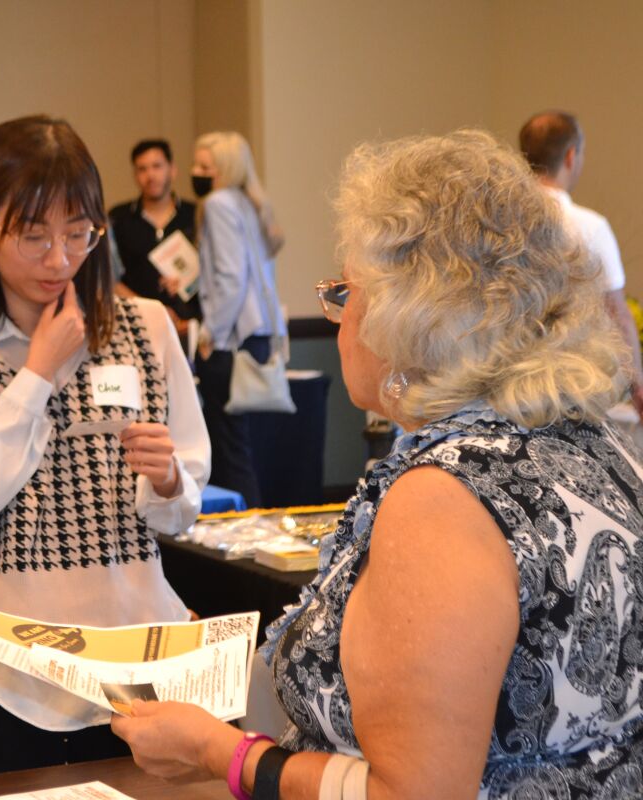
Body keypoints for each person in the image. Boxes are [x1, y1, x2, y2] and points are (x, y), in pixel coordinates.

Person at [112, 129, 643, 799]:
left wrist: (221, 750)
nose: (337, 317)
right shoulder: (593, 446)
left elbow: (410, 793)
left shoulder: (446, 497)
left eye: (347, 292)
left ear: (407, 320)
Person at [0, 115, 210, 780]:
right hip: (10, 682)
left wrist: (171, 480)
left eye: (78, 234)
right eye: (33, 236)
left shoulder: (146, 326)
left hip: (139, 668)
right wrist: (36, 374)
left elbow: (183, 509)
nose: (59, 259)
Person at [519, 110, 643, 420]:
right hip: (568, 386)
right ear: (572, 156)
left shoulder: (498, 219)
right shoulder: (589, 227)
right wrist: (637, 384)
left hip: (500, 382)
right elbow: (618, 315)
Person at [190, 131, 286, 508]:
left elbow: (231, 277)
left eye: (203, 166)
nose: (195, 173)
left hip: (232, 338)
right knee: (245, 445)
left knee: (229, 449)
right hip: (260, 334)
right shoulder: (252, 203)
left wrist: (209, 332)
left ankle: (243, 529)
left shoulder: (218, 203)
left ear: (224, 169)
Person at [109, 138, 200, 338]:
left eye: (157, 166)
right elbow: (110, 278)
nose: (150, 175)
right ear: (135, 175)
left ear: (172, 169)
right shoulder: (119, 218)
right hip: (137, 328)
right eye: (142, 169)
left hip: (192, 327)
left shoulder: (195, 215)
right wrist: (152, 313)